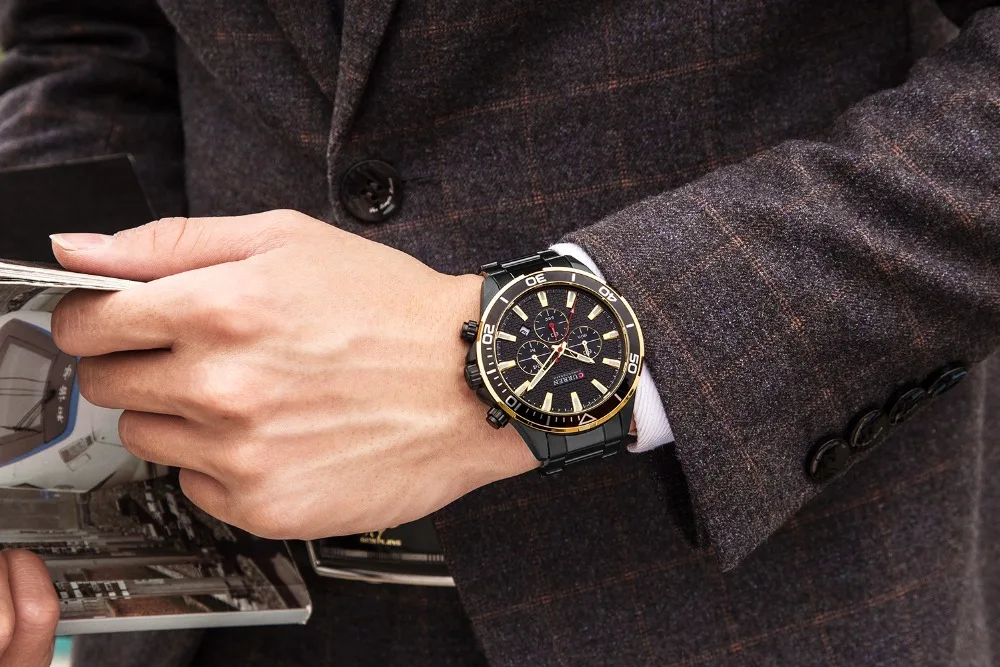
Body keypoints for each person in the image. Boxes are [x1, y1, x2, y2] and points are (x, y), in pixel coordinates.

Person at [0, 0, 997, 665]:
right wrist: (26, 428)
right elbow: (87, 34)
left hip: (732, 601)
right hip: (210, 597)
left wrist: (502, 363)